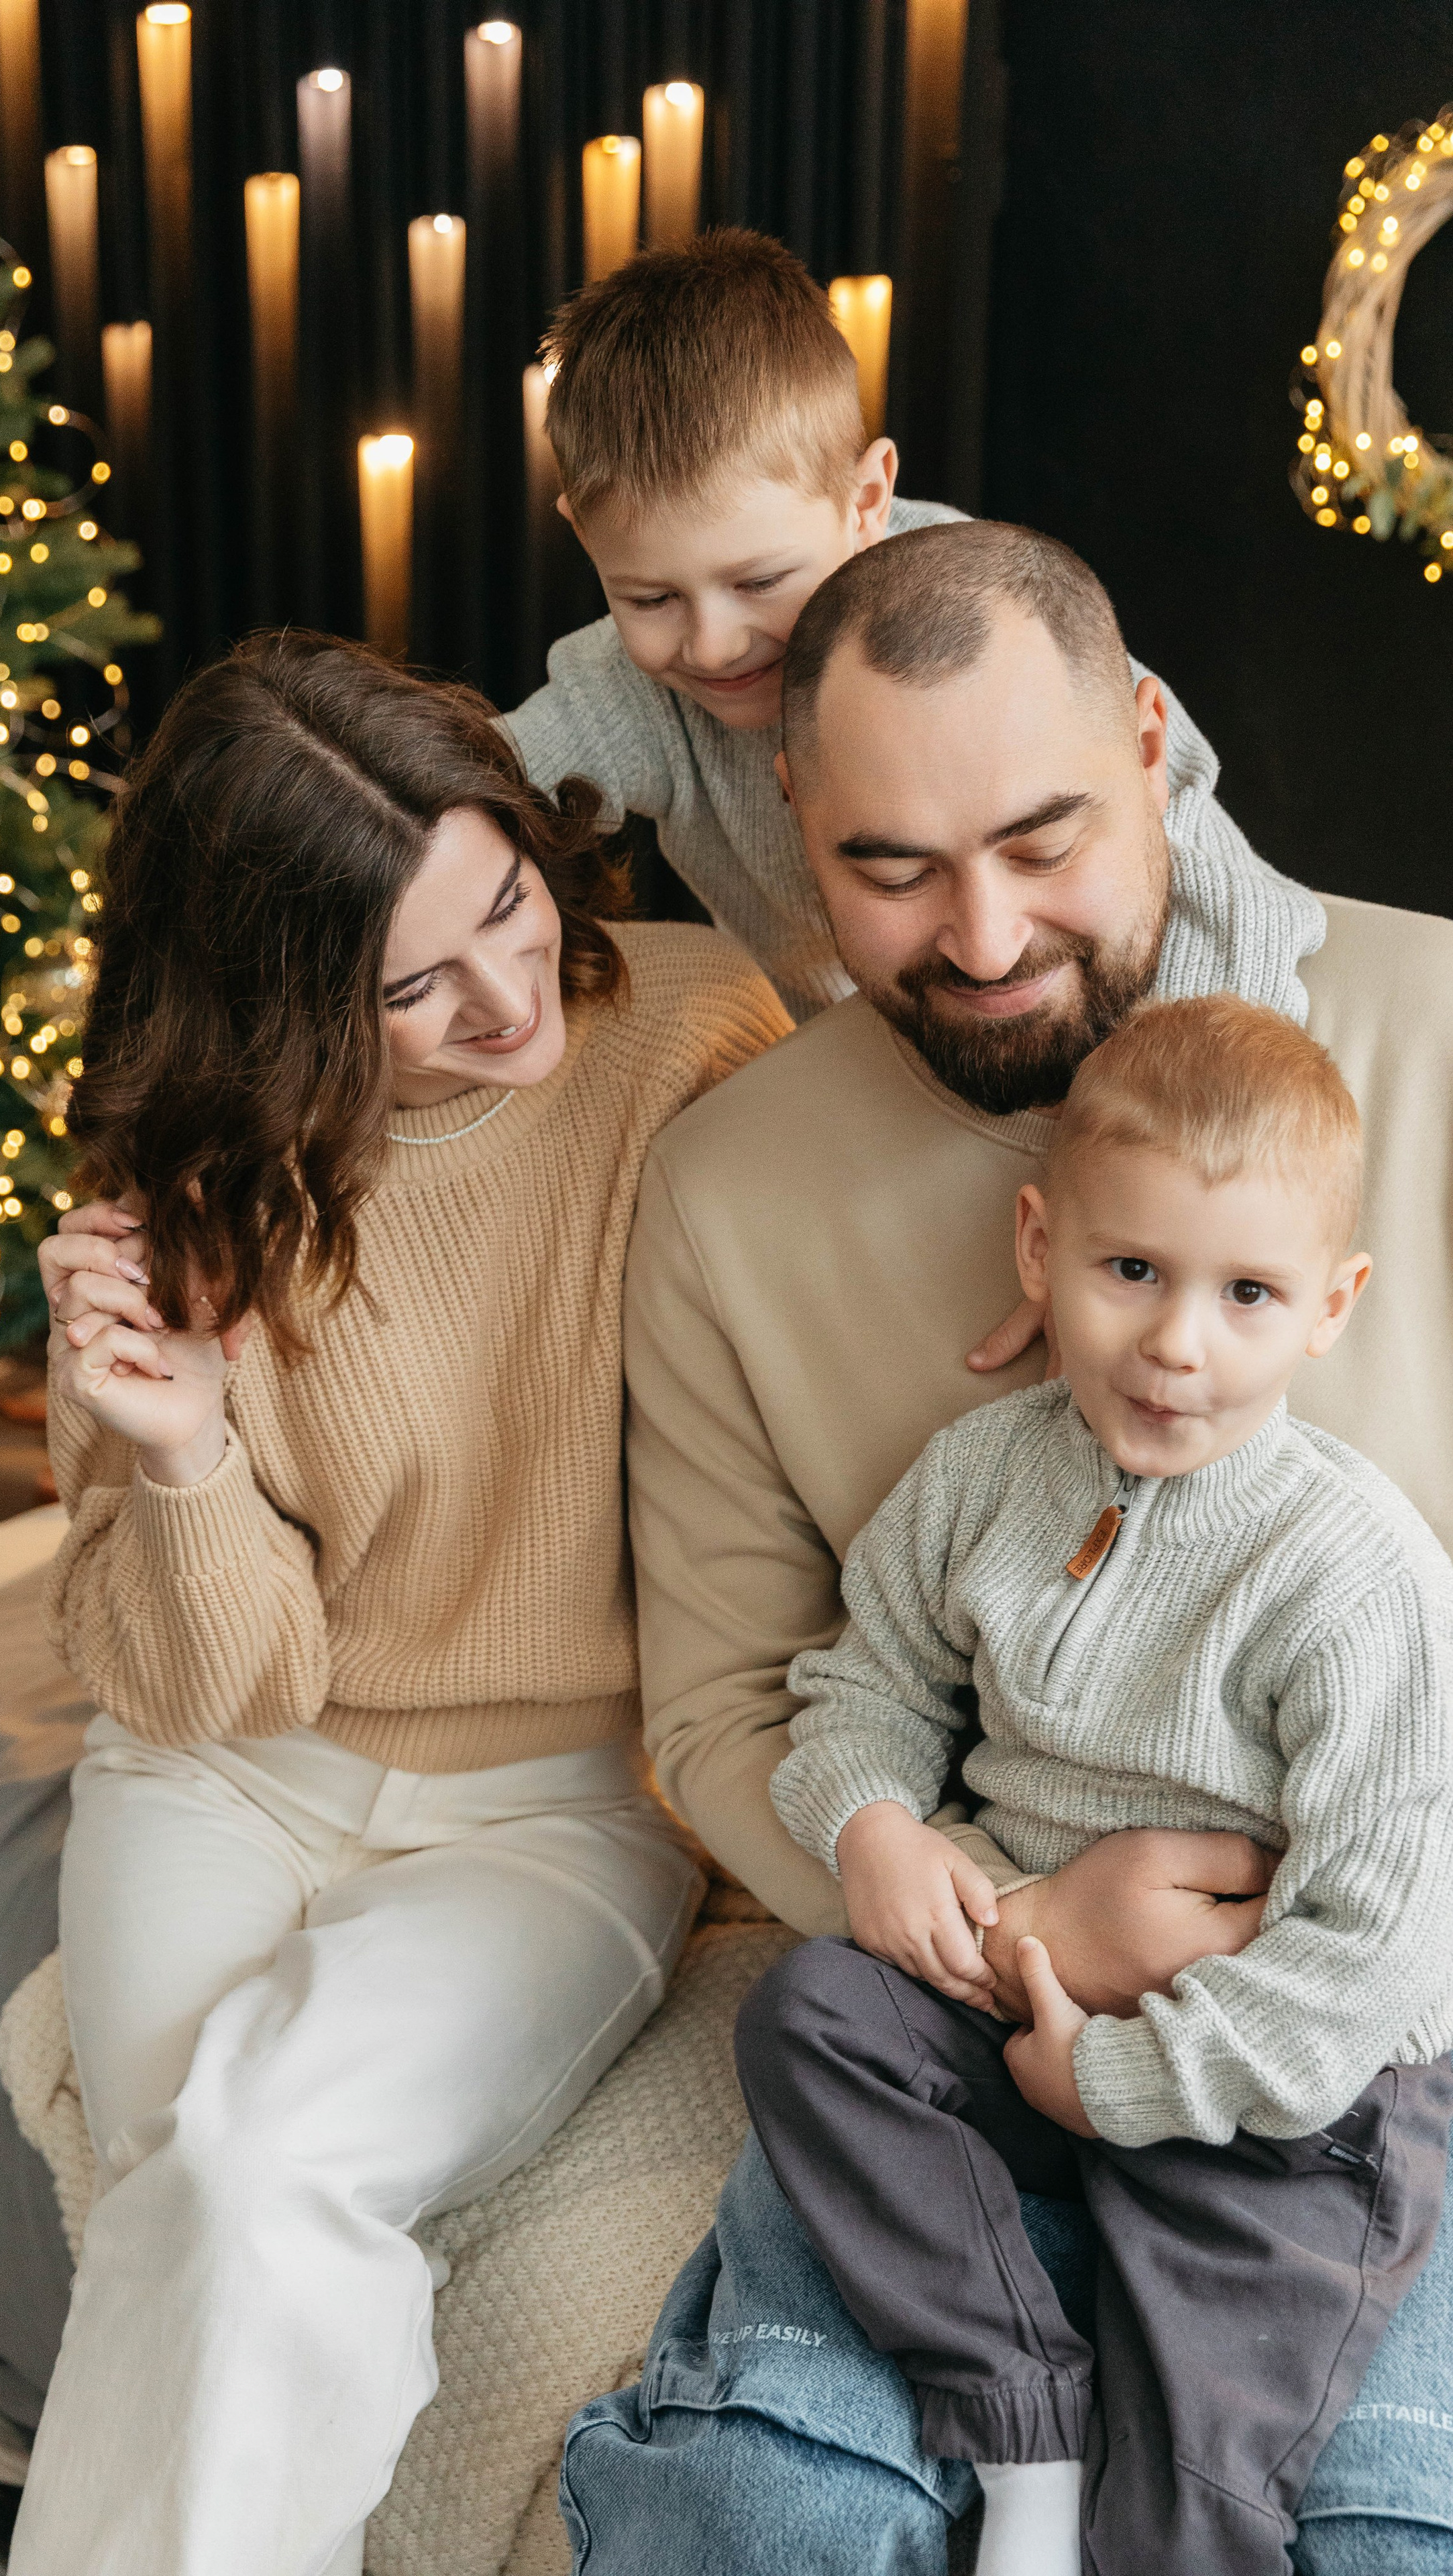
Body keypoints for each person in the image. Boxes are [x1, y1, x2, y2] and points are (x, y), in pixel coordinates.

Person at [596, 517, 1453, 2571]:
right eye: (890, 866)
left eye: (1041, 839)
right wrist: (1029, 1926)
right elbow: (730, 1701)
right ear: (792, 813)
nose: (980, 935)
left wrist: (1273, 1961)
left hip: (1344, 2012)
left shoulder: (1430, 1031)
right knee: (759, 2519)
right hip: (960, 1991)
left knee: (1359, 2531)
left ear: (1152, 742)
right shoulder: (727, 1190)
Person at [4, 633, 789, 2576]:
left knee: (252, 2167)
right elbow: (210, 1685)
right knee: (188, 2202)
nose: (509, 1001)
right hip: (221, 1776)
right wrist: (182, 1451)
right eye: (411, 988)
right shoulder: (187, 1186)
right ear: (273, 1005)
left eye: (509, 907)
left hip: (551, 1805)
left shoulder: (696, 1031)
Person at [737, 994, 1453, 2576]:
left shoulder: (1354, 1574)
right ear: (1036, 1246)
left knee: (1197, 2469)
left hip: (1278, 2089)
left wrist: (1122, 2086)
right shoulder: (979, 1476)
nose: (1174, 1342)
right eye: (1128, 1270)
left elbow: (1372, 1948)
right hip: (1019, 1997)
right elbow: (859, 1690)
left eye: (1244, 1292)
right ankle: (1019, 2428)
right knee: (808, 2015)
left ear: (1327, 1306)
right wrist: (869, 1825)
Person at [506, 227, 1223, 1030]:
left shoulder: (989, 620)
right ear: (584, 537)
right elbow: (464, 793)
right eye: (650, 599)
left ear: (866, 501)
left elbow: (1197, 828)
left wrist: (1194, 1056)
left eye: (759, 583)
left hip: (1085, 1015)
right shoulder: (636, 693)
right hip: (843, 1036)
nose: (710, 644)